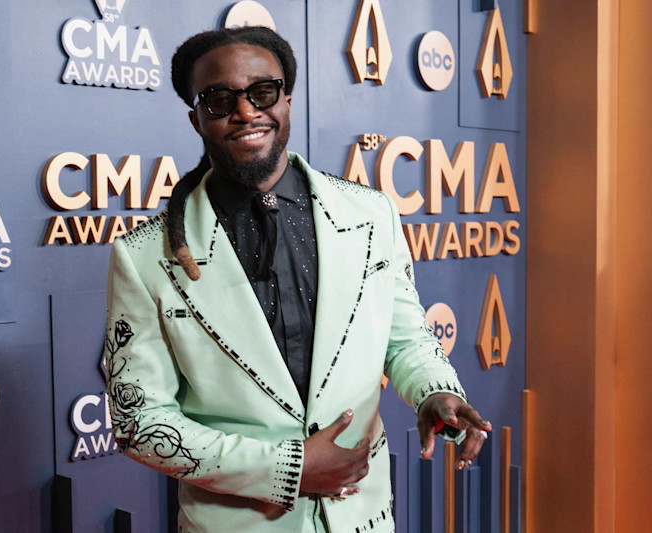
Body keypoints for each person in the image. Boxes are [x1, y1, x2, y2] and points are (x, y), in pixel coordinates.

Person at [104, 26, 491, 533]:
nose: (245, 112)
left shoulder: (370, 214)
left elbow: (405, 336)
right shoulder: (143, 256)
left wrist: (435, 393)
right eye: (219, 100)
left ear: (287, 98)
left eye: (262, 91)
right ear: (196, 118)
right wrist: (287, 469)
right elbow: (139, 423)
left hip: (364, 517)